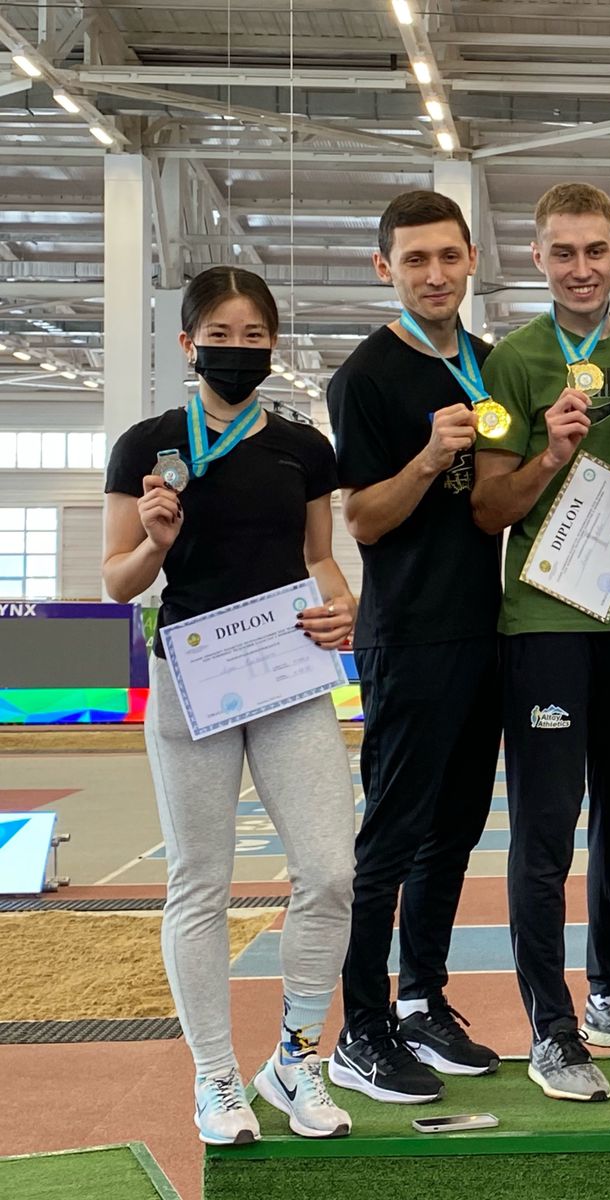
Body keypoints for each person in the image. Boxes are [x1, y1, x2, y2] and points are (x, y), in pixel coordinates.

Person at [102, 266, 357, 1144]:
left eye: (254, 337)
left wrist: (343, 605)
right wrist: (155, 543)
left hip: (287, 673)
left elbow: (318, 560)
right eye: (220, 335)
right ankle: (214, 1076)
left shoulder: (304, 448)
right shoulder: (146, 447)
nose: (237, 350)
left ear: (273, 346)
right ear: (188, 344)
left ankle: (296, 1059)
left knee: (330, 870)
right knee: (200, 883)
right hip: (191, 677)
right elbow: (116, 581)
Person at [471, 182, 610, 1103]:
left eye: (594, 250)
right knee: (546, 831)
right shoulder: (512, 362)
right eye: (562, 253)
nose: (580, 269)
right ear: (537, 259)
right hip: (547, 625)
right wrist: (548, 455)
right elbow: (487, 508)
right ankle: (551, 1028)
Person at [325, 190, 502, 1105]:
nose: (435, 275)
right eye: (415, 260)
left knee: (456, 831)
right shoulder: (366, 377)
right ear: (384, 268)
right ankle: (360, 1027)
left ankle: (422, 1000)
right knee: (391, 837)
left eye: (448, 256)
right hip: (409, 634)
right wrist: (429, 460)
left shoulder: (490, 363)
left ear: (472, 258)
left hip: (487, 630)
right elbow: (363, 517)